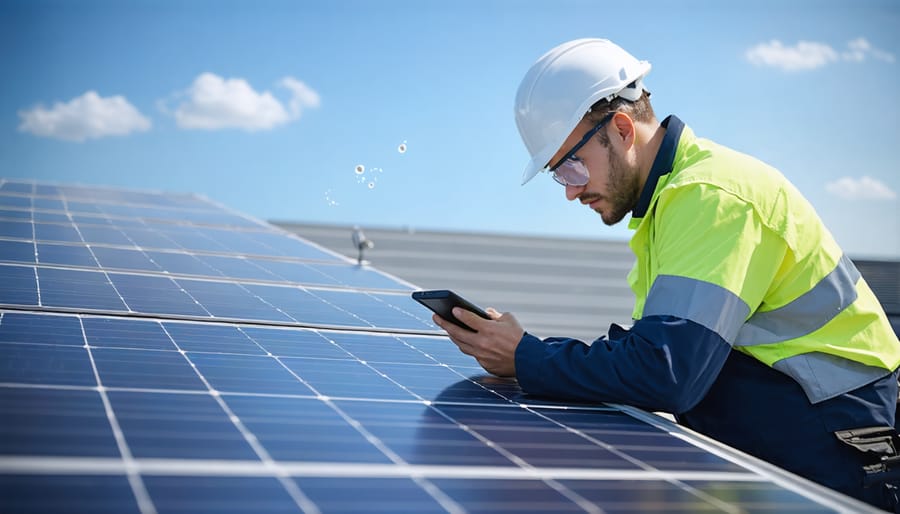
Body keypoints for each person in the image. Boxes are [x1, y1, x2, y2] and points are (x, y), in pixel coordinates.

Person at [433, 38, 900, 511]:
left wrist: (526, 356)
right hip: (794, 451)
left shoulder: (711, 196)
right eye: (560, 175)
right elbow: (648, 355)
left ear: (620, 129)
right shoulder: (666, 208)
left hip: (836, 458)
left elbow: (666, 373)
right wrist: (526, 349)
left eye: (571, 166)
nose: (571, 193)